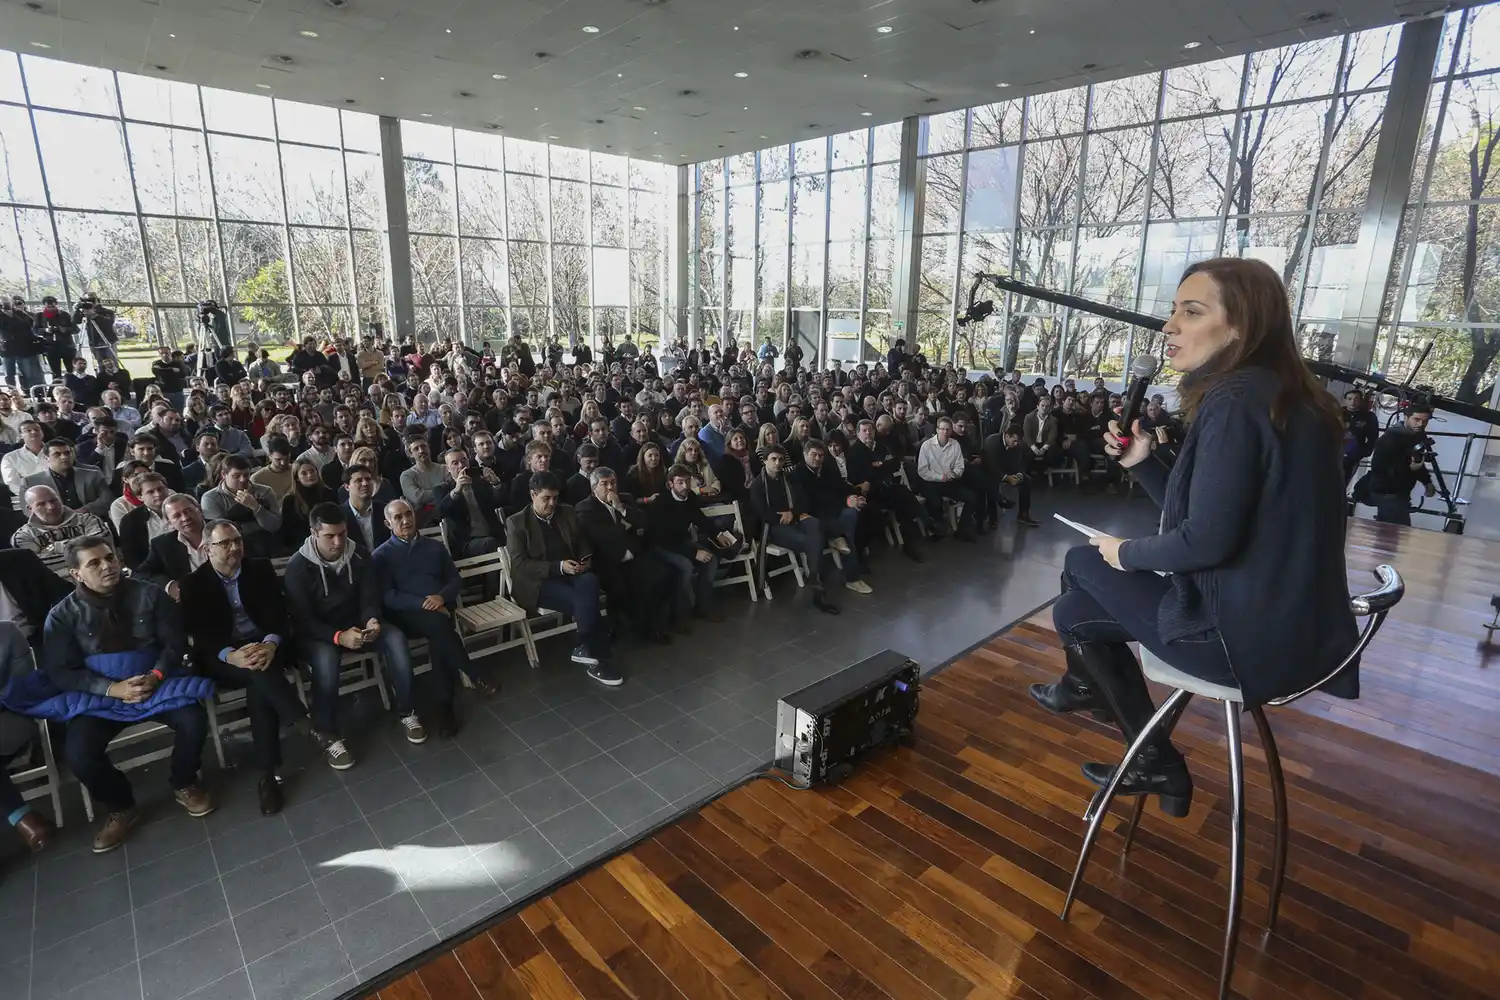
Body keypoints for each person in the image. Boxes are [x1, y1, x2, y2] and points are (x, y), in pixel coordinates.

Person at [1031, 258, 1359, 818]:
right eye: (1173, 311)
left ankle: (1110, 712)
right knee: (1073, 615)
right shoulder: (1289, 397)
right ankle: (1129, 735)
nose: (1169, 326)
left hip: (1241, 642)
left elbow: (1205, 542)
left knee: (1082, 561)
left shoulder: (1232, 402)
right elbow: (1214, 515)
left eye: (1191, 311)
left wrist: (1124, 552)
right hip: (1296, 634)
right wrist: (1144, 461)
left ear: (1241, 326)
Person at [38, 536, 214, 852]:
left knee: (193, 720)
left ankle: (184, 781)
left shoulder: (150, 595)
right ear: (75, 573)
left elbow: (175, 644)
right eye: (94, 563)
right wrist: (110, 688)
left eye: (110, 557)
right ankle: (121, 805)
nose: (108, 566)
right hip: (101, 694)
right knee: (78, 754)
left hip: (156, 681)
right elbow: (61, 671)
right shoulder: (62, 616)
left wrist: (156, 675)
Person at [181, 520, 310, 815]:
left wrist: (270, 644)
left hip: (265, 647)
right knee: (259, 673)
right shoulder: (193, 584)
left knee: (258, 681)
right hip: (221, 656)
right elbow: (202, 636)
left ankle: (268, 777)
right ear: (207, 549)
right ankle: (303, 723)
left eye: (237, 540)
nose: (234, 548)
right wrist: (231, 655)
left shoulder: (260, 569)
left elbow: (280, 616)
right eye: (225, 543)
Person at [283, 504, 415, 768]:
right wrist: (338, 637)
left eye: (342, 534)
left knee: (395, 638)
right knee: (326, 659)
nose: (338, 541)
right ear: (313, 533)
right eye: (330, 536)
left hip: (356, 625)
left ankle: (408, 711)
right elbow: (303, 620)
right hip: (317, 633)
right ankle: (329, 734)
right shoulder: (297, 567)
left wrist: (372, 619)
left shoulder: (360, 556)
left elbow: (369, 598)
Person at [372, 499, 486, 736]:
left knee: (439, 637)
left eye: (408, 514)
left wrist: (441, 598)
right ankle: (473, 674)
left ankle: (446, 709)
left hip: (440, 610)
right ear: (387, 523)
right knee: (440, 626)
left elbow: (455, 580)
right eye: (398, 517)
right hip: (405, 617)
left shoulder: (435, 547)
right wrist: (426, 604)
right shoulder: (381, 556)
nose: (405, 520)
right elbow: (389, 597)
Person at [504, 471, 621, 686]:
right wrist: (557, 567)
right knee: (584, 600)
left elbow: (581, 541)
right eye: (546, 498)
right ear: (533, 495)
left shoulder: (566, 512)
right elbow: (520, 565)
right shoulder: (517, 522)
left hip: (571, 571)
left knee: (591, 581)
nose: (552, 503)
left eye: (555, 498)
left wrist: (585, 558)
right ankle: (598, 659)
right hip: (539, 582)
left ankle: (584, 646)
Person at [575, 466, 676, 644]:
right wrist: (626, 527)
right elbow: (601, 536)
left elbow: (643, 521)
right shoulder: (585, 508)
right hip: (607, 560)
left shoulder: (625, 499)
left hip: (633, 555)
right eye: (604, 484)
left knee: (661, 576)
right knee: (621, 586)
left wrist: (621, 509)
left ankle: (652, 627)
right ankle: (623, 627)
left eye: (613, 483)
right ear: (593, 488)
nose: (610, 488)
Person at [646, 464, 739, 627]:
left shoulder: (690, 498)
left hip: (680, 543)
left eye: (688, 481)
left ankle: (703, 607)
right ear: (671, 484)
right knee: (685, 566)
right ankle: (678, 616)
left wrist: (718, 535)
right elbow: (663, 539)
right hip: (659, 546)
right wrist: (693, 553)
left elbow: (700, 519)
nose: (685, 486)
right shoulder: (661, 503)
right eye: (680, 482)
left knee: (711, 561)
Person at [749, 446, 838, 615]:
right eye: (773, 459)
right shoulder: (758, 485)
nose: (777, 463)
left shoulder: (789, 478)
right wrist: (782, 518)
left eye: (781, 460)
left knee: (816, 525)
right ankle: (817, 583)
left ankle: (814, 575)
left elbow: (804, 501)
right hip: (775, 526)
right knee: (813, 540)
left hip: (795, 517)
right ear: (765, 461)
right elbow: (762, 513)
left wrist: (792, 513)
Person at [0, 620, 56, 850]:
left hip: (11, 718)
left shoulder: (7, 634)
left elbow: (23, 689)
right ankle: (23, 818)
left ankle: (21, 817)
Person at [793, 439, 872, 594]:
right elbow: (809, 502)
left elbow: (842, 486)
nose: (817, 459)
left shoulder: (827, 469)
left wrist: (854, 496)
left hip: (834, 511)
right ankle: (853, 578)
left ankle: (837, 538)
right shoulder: (797, 474)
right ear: (805, 454)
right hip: (812, 516)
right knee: (845, 531)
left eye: (821, 456)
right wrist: (845, 500)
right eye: (814, 455)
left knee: (852, 513)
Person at [1359, 403, 1435, 526]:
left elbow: (1416, 462)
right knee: (1395, 530)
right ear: (1406, 417)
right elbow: (1379, 467)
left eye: (1425, 421)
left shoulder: (1416, 436)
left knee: (1392, 532)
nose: (1420, 424)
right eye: (1416, 419)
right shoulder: (1390, 438)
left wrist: (1427, 481)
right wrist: (1408, 469)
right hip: (1387, 490)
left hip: (1399, 490)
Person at [201, 455, 283, 558]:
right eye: (236, 476)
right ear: (224, 474)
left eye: (246, 475)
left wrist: (256, 507)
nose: (243, 479)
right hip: (231, 549)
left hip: (267, 546)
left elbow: (274, 526)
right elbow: (220, 533)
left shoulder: (265, 491)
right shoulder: (211, 498)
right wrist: (256, 524)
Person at [434, 446, 505, 557]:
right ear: (448, 468)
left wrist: (495, 483)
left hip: (493, 533)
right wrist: (456, 490)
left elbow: (499, 501)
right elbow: (442, 511)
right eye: (455, 463)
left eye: (463, 461)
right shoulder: (442, 489)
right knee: (491, 544)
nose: (461, 465)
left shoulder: (480, 482)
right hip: (466, 541)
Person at [916, 416, 977, 541]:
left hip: (949, 481)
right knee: (935, 501)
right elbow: (922, 471)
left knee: (971, 497)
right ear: (937, 430)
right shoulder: (926, 446)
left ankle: (962, 529)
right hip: (930, 481)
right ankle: (936, 529)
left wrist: (955, 474)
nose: (945, 432)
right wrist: (941, 476)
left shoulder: (955, 445)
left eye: (948, 429)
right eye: (942, 429)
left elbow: (960, 466)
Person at [24, 437, 112, 521]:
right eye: (57, 454)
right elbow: (28, 511)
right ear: (47, 458)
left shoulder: (92, 474)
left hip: (90, 519)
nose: (64, 457)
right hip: (52, 526)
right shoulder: (31, 482)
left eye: (67, 453)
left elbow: (107, 499)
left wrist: (83, 510)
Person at [12, 485, 109, 556]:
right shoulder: (23, 536)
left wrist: (52, 548)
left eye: (53, 500)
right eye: (41, 504)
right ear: (30, 509)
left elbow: (102, 552)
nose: (51, 507)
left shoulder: (89, 520)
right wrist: (84, 547)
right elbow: (38, 567)